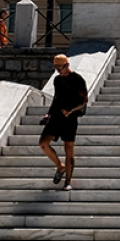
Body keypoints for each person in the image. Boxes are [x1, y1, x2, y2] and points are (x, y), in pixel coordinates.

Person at [38, 54, 88, 191]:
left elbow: (84, 101)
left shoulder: (77, 79)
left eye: (60, 68)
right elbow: (56, 98)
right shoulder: (57, 80)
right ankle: (60, 166)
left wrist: (71, 110)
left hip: (70, 118)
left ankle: (68, 182)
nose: (58, 71)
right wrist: (49, 113)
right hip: (56, 116)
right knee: (43, 143)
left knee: (69, 149)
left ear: (67, 65)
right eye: (56, 68)